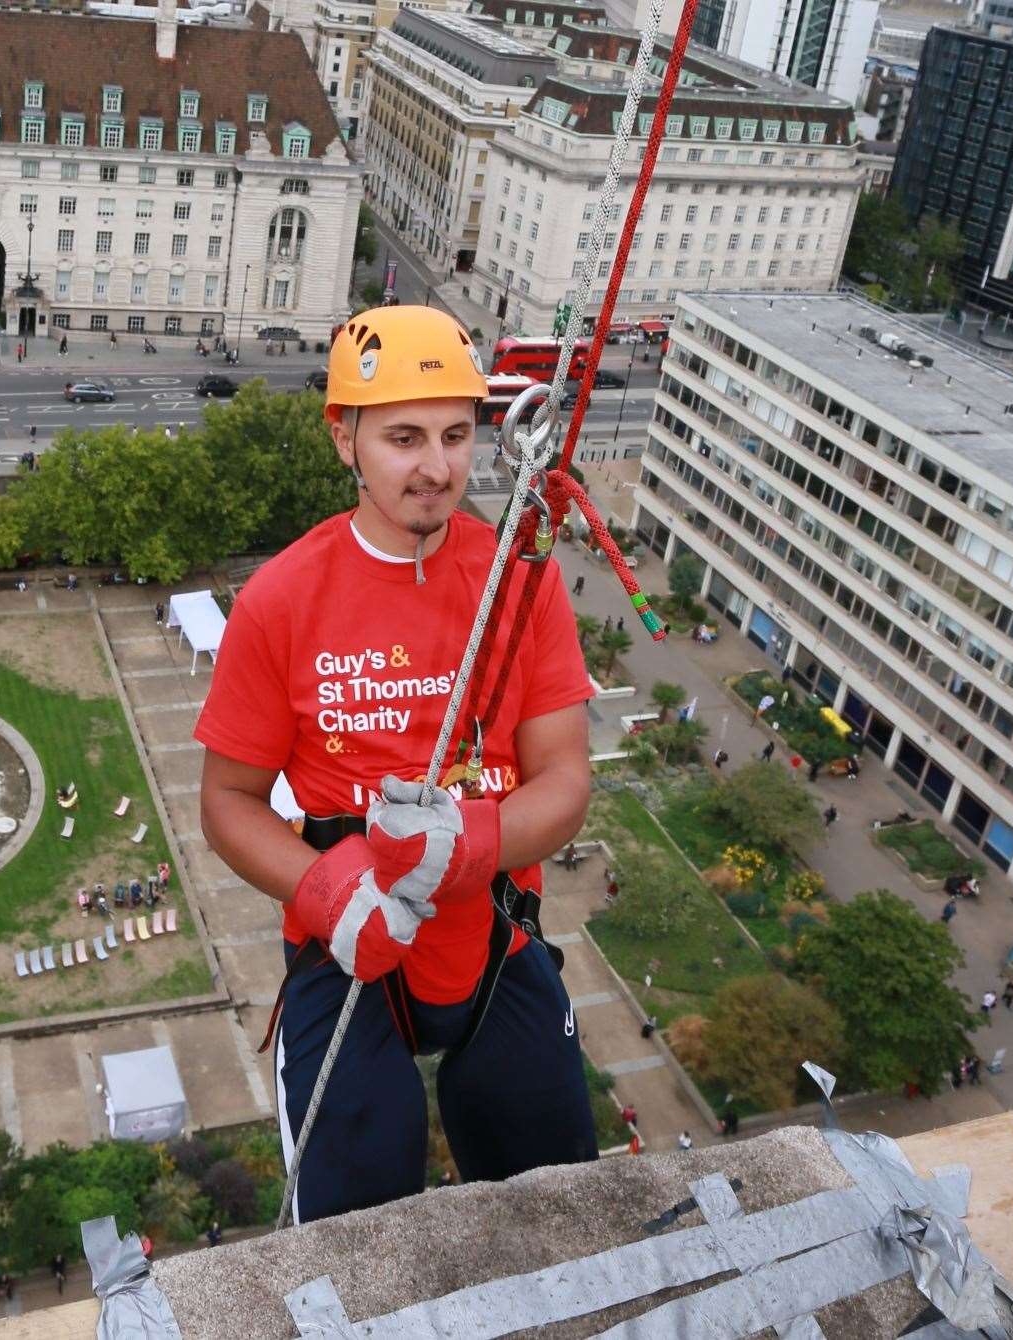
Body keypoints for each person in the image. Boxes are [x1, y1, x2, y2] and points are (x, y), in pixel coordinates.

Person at [194, 305, 597, 1226]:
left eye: (457, 435)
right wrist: (325, 892)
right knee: (353, 1224)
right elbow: (228, 803)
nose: (437, 466)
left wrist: (474, 843)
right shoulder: (281, 601)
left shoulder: (516, 580)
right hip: (351, 948)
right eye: (404, 437)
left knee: (562, 1201)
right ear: (345, 440)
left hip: (493, 926)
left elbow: (565, 781)